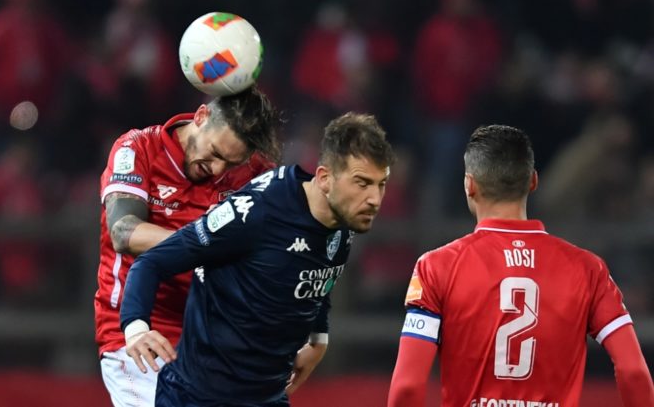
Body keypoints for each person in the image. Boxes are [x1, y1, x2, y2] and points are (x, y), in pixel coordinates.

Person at [120, 112, 395, 406]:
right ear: (325, 178)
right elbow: (152, 262)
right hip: (197, 397)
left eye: (381, 184)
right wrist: (135, 327)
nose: (375, 199)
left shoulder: (344, 219)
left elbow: (316, 278)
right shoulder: (255, 211)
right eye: (362, 183)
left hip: (267, 397)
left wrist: (319, 338)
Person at [388, 125, 654, 407]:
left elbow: (407, 386)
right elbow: (634, 371)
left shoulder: (436, 267)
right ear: (533, 181)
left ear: (470, 185)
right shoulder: (588, 269)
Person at [95, 86, 281, 407]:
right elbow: (123, 232)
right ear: (201, 116)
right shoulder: (138, 148)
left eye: (231, 163)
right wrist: (205, 241)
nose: (218, 169)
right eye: (216, 153)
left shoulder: (258, 174)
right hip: (139, 332)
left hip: (217, 339)